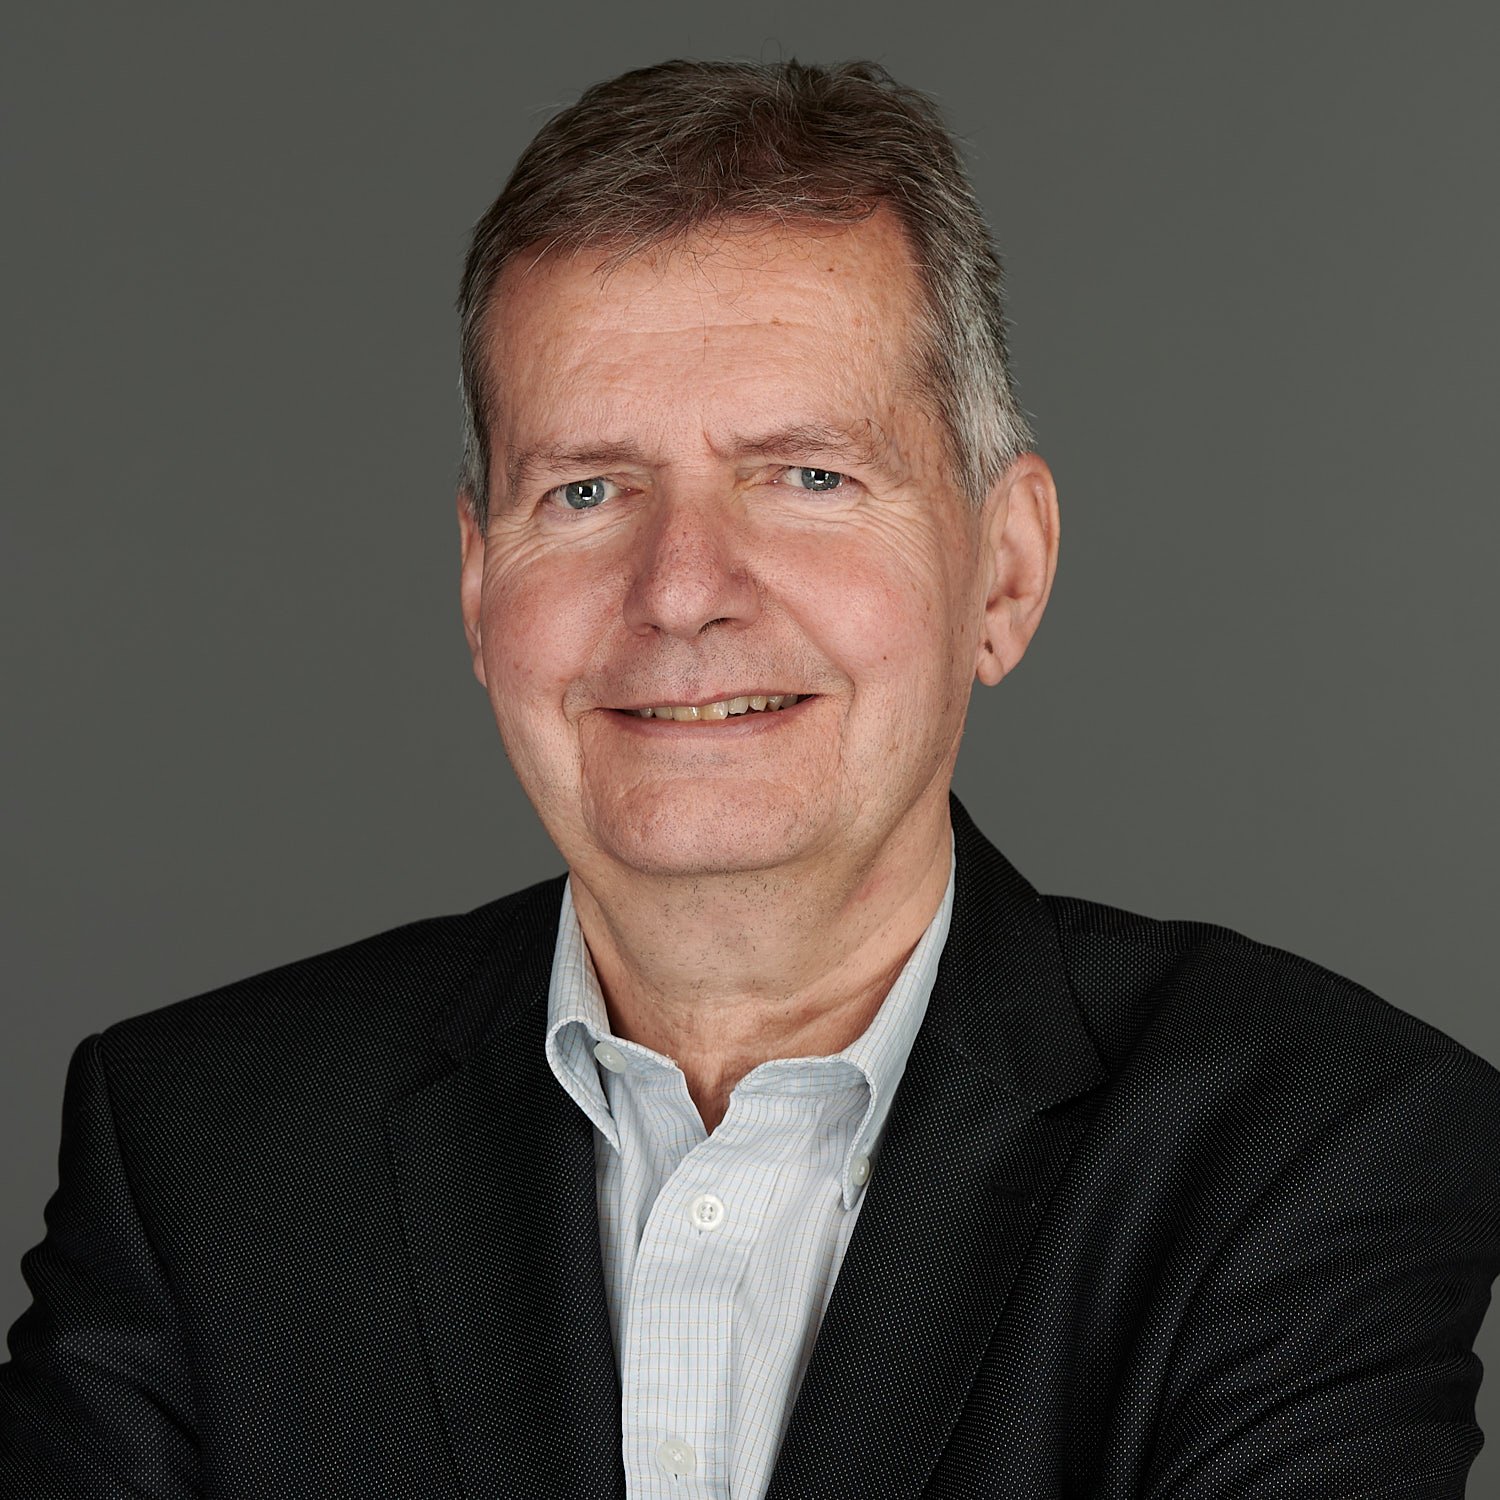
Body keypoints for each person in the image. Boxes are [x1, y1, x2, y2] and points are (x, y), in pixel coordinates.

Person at [3, 56, 1498, 1500]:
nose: (682, 590)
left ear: (1006, 571)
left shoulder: (1315, 1150)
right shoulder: (202, 1157)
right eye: (586, 491)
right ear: (477, 589)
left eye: (808, 476)